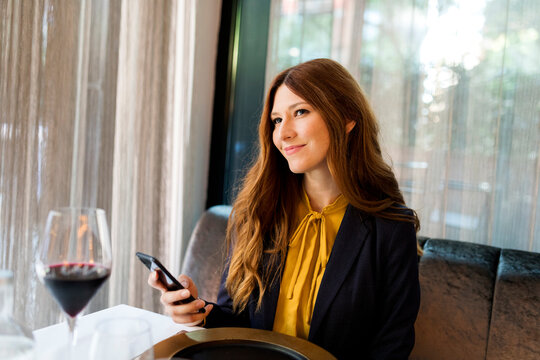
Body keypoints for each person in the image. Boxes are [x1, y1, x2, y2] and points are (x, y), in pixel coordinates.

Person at [148, 58, 421, 359]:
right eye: (277, 120)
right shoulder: (258, 211)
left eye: (300, 112)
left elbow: (391, 349)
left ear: (347, 118)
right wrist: (199, 313)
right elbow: (238, 321)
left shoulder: (392, 229)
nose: (283, 133)